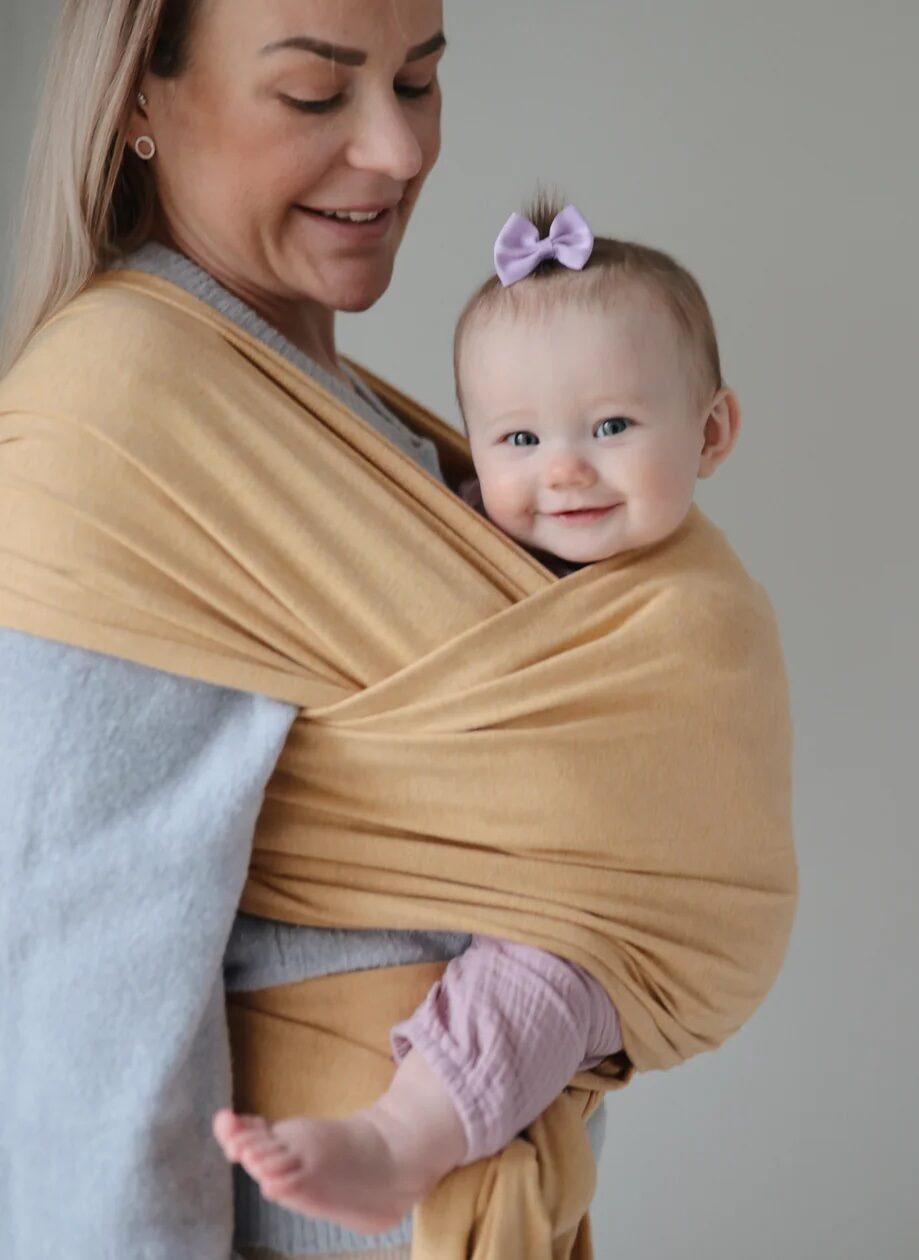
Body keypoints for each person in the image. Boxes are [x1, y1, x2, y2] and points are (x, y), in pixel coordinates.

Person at [0, 3, 796, 1258]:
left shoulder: (376, 424)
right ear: (137, 104)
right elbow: (82, 1035)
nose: (398, 148)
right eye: (318, 96)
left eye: (419, 83)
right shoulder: (124, 421)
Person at [214, 200, 743, 1226]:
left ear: (712, 430)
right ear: (471, 457)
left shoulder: (701, 612)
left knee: (536, 985)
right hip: (414, 921)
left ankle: (397, 1142)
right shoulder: (455, 550)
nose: (564, 468)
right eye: (519, 438)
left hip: (606, 931)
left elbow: (698, 779)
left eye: (613, 426)